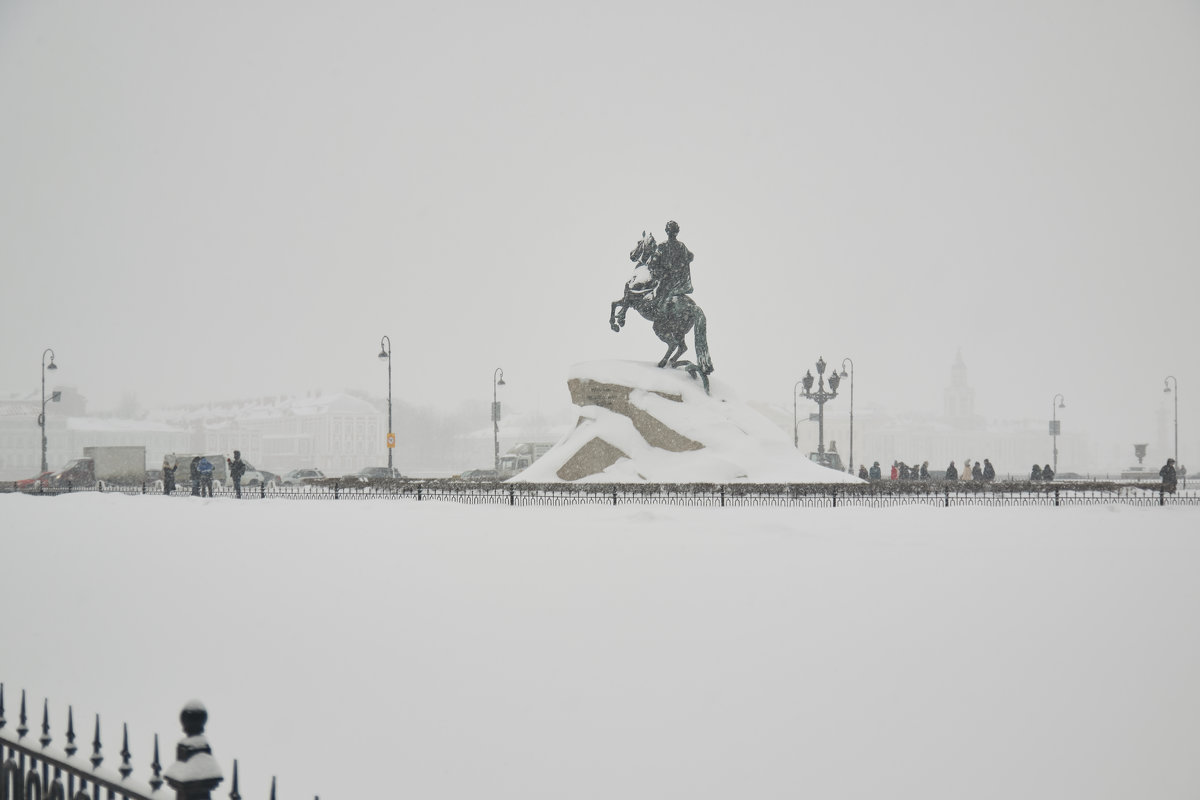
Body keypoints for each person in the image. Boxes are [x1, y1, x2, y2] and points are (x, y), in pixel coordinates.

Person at [650, 220, 694, 314]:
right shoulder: (681, 246)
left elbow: (654, 261)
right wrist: (680, 265)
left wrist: (658, 268)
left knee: (658, 292)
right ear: (677, 232)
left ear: (667, 231)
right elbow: (690, 256)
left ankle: (658, 311)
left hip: (667, 279)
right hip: (679, 280)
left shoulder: (662, 246)